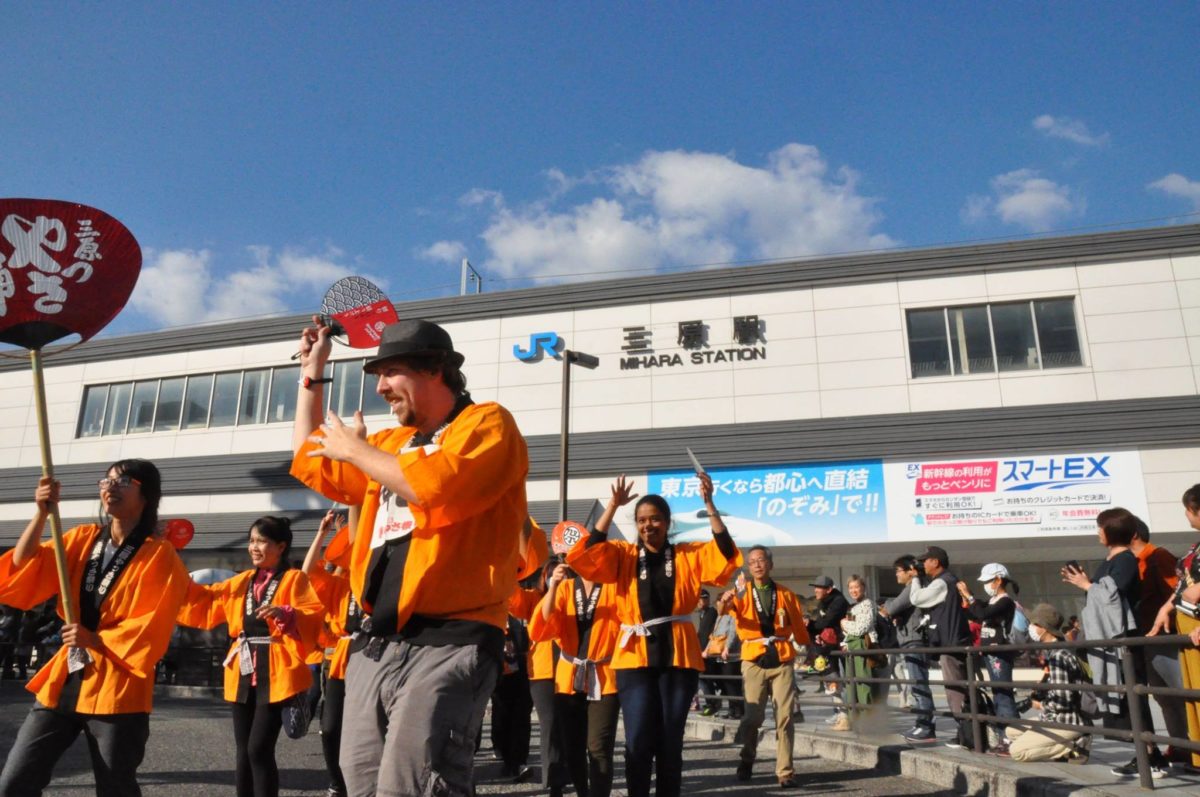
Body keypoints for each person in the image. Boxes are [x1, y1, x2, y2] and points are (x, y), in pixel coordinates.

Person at [290, 316, 529, 796]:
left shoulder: (487, 423)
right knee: (360, 781)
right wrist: (312, 373)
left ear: (434, 369)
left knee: (414, 783)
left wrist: (356, 452)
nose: (381, 388)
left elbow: (436, 487)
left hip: (452, 639)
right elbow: (311, 456)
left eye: (390, 373)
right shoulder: (390, 443)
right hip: (376, 640)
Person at [0, 460, 192, 797]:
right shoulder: (82, 538)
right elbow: (23, 565)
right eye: (107, 480)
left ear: (146, 494)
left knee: (115, 788)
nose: (110, 486)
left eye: (123, 481)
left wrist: (95, 638)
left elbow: (152, 623)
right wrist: (41, 514)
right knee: (15, 782)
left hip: (118, 684)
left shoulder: (160, 555)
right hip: (66, 675)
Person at [566, 474, 740, 797]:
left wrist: (709, 504)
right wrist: (612, 506)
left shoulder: (688, 554)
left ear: (667, 522)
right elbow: (586, 556)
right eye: (642, 520)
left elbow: (726, 553)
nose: (649, 526)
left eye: (656, 519)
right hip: (634, 658)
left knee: (671, 741)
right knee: (638, 739)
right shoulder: (623, 555)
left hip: (679, 657)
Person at [178, 516, 324, 797]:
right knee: (243, 751)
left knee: (258, 749)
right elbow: (204, 600)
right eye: (252, 541)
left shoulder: (294, 579)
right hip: (242, 671)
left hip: (276, 672)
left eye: (262, 541)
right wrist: (171, 567)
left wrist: (287, 613)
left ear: (281, 546)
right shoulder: (241, 581)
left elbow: (313, 615)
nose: (254, 547)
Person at [1063, 507, 1168, 778]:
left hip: (1123, 641)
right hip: (1113, 641)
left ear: (1112, 531)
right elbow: (1105, 593)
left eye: (1101, 528)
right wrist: (1086, 583)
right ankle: (1147, 755)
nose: (1098, 532)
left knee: (1133, 697)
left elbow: (1112, 596)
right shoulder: (1113, 559)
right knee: (1128, 698)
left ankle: (1151, 758)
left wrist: (1087, 585)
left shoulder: (1125, 560)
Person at [717, 544, 808, 788]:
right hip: (753, 658)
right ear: (748, 567)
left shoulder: (786, 594)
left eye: (761, 560)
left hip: (781, 657)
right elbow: (723, 611)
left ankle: (785, 771)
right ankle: (747, 758)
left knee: (785, 716)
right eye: (752, 562)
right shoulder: (741, 593)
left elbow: (799, 626)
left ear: (770, 564)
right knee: (752, 717)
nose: (757, 565)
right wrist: (725, 601)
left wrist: (808, 648)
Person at [529, 559, 621, 797]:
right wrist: (553, 586)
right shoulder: (566, 588)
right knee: (573, 747)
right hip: (569, 676)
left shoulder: (613, 585)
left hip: (605, 675)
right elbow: (541, 626)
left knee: (599, 747)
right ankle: (582, 792)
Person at [301, 509, 357, 797]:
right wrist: (322, 533)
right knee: (331, 727)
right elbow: (308, 573)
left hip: (378, 660)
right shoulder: (339, 585)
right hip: (338, 662)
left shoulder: (384, 580)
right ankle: (337, 782)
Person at [1128, 517, 1189, 768]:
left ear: (1132, 534)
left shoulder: (1158, 556)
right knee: (1164, 697)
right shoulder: (1134, 562)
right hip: (1149, 638)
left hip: (1166, 637)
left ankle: (1192, 746)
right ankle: (1180, 747)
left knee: (1181, 694)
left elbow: (1178, 594)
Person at [1148, 484, 1200, 772]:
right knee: (1194, 695)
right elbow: (1182, 587)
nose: (1186, 515)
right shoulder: (1196, 547)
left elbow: (1192, 591)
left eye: (1188, 510)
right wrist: (1167, 607)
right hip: (1189, 628)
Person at [1005, 604, 1089, 763]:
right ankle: (1062, 745)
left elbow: (1063, 701)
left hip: (1065, 721)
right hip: (1051, 718)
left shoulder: (1058, 656)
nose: (1030, 627)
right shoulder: (1054, 651)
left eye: (1033, 624)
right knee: (1011, 731)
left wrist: (1040, 705)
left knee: (1017, 752)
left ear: (1043, 628)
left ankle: (1073, 747)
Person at [907, 546, 973, 744]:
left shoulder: (942, 582)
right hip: (956, 641)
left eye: (925, 561)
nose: (923, 565)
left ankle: (967, 735)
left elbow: (916, 598)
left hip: (950, 645)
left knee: (954, 691)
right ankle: (968, 733)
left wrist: (915, 578)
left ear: (935, 562)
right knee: (961, 690)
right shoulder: (949, 580)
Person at [957, 563, 1019, 754]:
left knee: (1003, 694)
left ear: (998, 580)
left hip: (1000, 652)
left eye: (988, 581)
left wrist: (970, 596)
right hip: (990, 653)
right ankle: (1004, 736)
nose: (985, 585)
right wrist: (965, 601)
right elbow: (975, 614)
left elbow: (983, 613)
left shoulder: (1005, 601)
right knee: (998, 693)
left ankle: (1010, 738)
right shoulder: (992, 601)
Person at [880, 554, 935, 742]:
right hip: (912, 640)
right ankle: (922, 724)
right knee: (917, 685)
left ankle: (926, 727)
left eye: (898, 571)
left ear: (910, 571)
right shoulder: (914, 587)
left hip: (914, 641)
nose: (896, 574)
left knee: (919, 685)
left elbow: (891, 608)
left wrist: (887, 604)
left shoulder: (912, 587)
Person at [831, 575, 877, 732]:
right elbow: (851, 631)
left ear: (863, 587)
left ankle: (867, 721)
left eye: (856, 587)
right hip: (851, 646)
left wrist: (844, 623)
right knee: (851, 684)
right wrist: (845, 640)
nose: (854, 590)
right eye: (851, 588)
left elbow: (860, 628)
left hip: (862, 645)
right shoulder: (852, 607)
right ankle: (853, 720)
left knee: (863, 683)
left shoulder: (867, 604)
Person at [695, 590, 721, 714]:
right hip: (702, 652)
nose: (701, 602)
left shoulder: (711, 612)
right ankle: (712, 702)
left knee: (706, 678)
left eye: (704, 599)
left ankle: (712, 703)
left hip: (708, 652)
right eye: (699, 599)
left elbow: (710, 634)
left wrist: (706, 649)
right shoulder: (702, 613)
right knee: (704, 679)